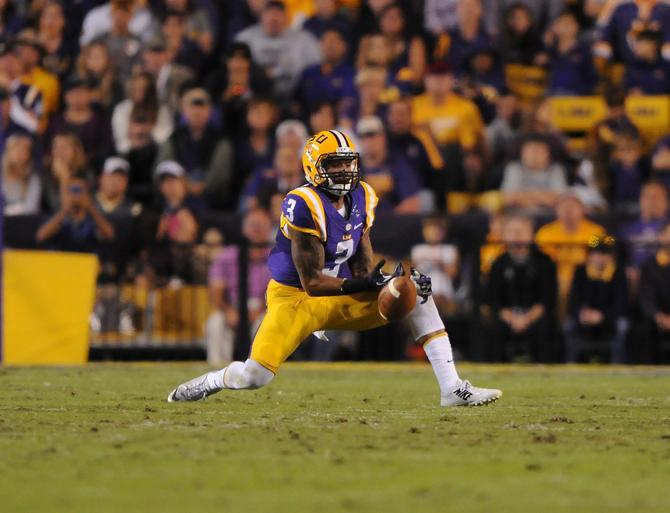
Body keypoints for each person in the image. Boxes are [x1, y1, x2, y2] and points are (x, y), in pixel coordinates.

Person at [167, 129, 502, 407]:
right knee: (254, 377)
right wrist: (365, 284)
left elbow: (361, 267)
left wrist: (389, 282)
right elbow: (312, 282)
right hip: (294, 299)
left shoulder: (364, 197)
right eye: (336, 165)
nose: (345, 171)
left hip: (337, 292)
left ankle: (452, 388)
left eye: (348, 164)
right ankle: (213, 379)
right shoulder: (302, 203)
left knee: (416, 295)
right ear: (314, 168)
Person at [481, 213, 559, 362]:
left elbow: (547, 299)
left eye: (521, 231)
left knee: (546, 328)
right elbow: (493, 299)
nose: (516, 235)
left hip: (535, 316)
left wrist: (527, 319)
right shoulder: (498, 263)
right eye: (511, 231)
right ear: (504, 235)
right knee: (492, 329)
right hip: (507, 316)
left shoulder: (545, 262)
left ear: (531, 235)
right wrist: (511, 318)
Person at [206, 208, 273, 366]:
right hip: (232, 306)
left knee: (265, 323)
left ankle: (259, 370)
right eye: (253, 225)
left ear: (270, 229)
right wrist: (228, 311)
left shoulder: (277, 256)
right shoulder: (227, 256)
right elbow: (216, 292)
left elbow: (282, 291)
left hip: (265, 308)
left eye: (262, 225)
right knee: (215, 322)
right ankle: (219, 372)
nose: (257, 229)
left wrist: (258, 311)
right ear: (244, 229)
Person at [155, 87, 234, 209]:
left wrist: (199, 186)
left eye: (202, 107)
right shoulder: (174, 138)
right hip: (176, 195)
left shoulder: (221, 139)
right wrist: (181, 185)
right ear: (183, 110)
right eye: (192, 107)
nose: (197, 112)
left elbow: (220, 177)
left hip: (210, 200)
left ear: (210, 111)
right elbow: (162, 169)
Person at [235, 0, 321, 100]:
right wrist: (240, 96)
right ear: (261, 17)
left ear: (287, 18)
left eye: (278, 16)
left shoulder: (305, 40)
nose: (273, 19)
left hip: (295, 99)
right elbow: (234, 74)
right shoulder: (245, 39)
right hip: (253, 100)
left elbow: (318, 71)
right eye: (269, 15)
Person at [535, 192, 605, 311]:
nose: (568, 210)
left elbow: (601, 254)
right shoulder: (546, 233)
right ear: (556, 210)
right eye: (563, 207)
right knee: (562, 285)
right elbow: (544, 261)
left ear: (582, 210)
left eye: (573, 206)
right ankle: (560, 325)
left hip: (586, 273)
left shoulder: (595, 232)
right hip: (558, 274)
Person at [564, 235, 629, 363]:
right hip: (584, 322)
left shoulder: (618, 273)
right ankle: (570, 365)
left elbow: (621, 304)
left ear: (612, 257)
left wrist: (602, 316)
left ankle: (618, 366)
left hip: (610, 321)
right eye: (597, 254)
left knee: (623, 326)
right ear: (590, 255)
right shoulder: (580, 271)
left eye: (605, 254)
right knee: (568, 326)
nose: (601, 258)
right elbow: (573, 300)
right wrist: (581, 314)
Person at [36, 174, 115, 252]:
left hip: (87, 262)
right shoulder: (59, 218)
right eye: (73, 190)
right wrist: (64, 211)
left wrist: (90, 208)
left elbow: (110, 235)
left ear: (88, 195)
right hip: (62, 261)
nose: (76, 196)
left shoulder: (94, 218)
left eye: (80, 190)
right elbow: (40, 236)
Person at [501, 133, 567, 213]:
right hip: (518, 216)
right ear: (522, 153)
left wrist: (523, 196)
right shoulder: (514, 168)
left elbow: (560, 199)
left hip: (549, 216)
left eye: (538, 151)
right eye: (530, 150)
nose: (534, 154)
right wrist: (544, 197)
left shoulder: (556, 170)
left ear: (548, 153)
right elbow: (508, 198)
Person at [638, 221, 670, 363]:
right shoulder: (649, 266)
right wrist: (659, 316)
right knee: (643, 328)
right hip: (657, 319)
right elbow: (646, 298)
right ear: (661, 237)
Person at [2, 133, 41, 216]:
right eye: (17, 148)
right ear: (9, 151)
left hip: (22, 223)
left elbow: (31, 208)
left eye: (25, 150)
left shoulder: (32, 178)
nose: (21, 153)